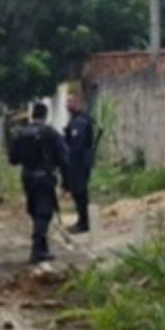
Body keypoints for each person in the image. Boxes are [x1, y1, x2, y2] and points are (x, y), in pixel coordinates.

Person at [9, 103, 69, 264]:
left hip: (27, 177)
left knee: (35, 211)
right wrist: (67, 182)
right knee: (44, 213)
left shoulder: (20, 133)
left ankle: (42, 247)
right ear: (45, 115)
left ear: (32, 115)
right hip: (45, 177)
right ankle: (38, 250)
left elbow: (13, 159)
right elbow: (63, 159)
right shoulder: (51, 133)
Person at [64, 93, 95, 234]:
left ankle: (84, 222)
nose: (67, 105)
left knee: (80, 192)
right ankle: (82, 220)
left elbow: (76, 145)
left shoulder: (80, 122)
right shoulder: (75, 120)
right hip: (76, 162)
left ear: (78, 103)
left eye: (70, 102)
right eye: (67, 102)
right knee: (77, 192)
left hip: (79, 162)